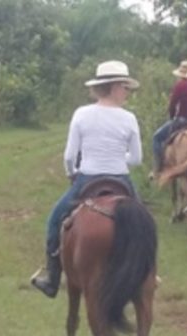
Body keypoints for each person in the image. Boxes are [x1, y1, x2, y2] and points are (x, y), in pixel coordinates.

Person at [31, 60, 142, 298]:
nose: (127, 92)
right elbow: (136, 159)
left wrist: (71, 172)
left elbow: (70, 156)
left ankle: (52, 279)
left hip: (87, 179)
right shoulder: (129, 118)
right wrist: (117, 156)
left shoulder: (81, 114)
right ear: (112, 87)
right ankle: (146, 275)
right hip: (121, 180)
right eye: (125, 87)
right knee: (143, 226)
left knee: (53, 221)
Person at [152, 60, 187, 174]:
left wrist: (172, 117)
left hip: (182, 121)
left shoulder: (180, 86)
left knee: (157, 138)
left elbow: (172, 105)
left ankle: (158, 168)